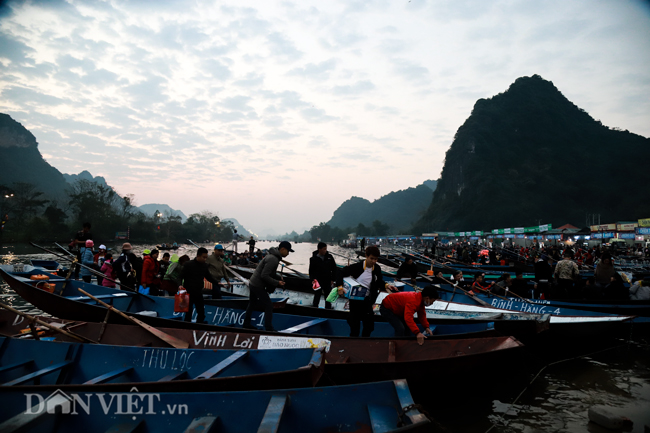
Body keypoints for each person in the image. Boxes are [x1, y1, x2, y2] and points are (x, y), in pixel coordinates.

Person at [336, 245, 398, 337]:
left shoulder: (376, 268)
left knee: (369, 326)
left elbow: (379, 281)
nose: (373, 261)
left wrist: (387, 285)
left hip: (367, 301)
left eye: (376, 259)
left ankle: (365, 341)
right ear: (366, 256)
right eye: (372, 258)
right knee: (354, 327)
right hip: (355, 301)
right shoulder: (357, 267)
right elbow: (340, 272)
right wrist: (340, 287)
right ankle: (354, 342)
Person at [243, 241, 293, 331]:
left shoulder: (273, 257)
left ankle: (246, 324)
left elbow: (270, 273)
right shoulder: (273, 259)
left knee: (252, 303)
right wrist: (277, 283)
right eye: (288, 251)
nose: (288, 254)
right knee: (269, 305)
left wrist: (278, 278)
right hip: (257, 285)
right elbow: (264, 275)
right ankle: (269, 328)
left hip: (253, 282)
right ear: (282, 249)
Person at [180, 248, 220, 323]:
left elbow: (209, 277)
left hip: (198, 292)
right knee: (188, 312)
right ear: (198, 256)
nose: (205, 259)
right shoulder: (188, 264)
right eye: (203, 257)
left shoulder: (204, 266)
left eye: (206, 258)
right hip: (188, 292)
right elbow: (180, 276)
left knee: (201, 312)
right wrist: (179, 285)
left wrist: (217, 283)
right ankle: (186, 328)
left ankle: (199, 326)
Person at [309, 242, 337, 309]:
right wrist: (312, 280)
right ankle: (315, 308)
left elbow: (334, 268)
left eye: (326, 249)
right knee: (317, 295)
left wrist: (333, 279)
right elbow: (311, 271)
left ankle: (328, 309)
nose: (325, 250)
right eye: (324, 249)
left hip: (327, 280)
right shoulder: (313, 259)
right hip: (317, 280)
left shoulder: (329, 257)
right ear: (319, 249)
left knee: (328, 296)